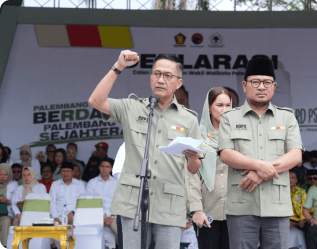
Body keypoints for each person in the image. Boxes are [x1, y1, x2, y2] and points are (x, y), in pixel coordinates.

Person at [88, 51, 202, 249]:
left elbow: (193, 169)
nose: (160, 79)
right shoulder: (132, 107)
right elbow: (96, 101)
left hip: (170, 205)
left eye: (168, 76)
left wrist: (193, 159)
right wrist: (118, 66)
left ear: (178, 83)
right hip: (133, 202)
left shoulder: (189, 119)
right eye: (156, 74)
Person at [218, 55, 303, 249]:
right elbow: (227, 154)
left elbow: (295, 155)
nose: (261, 87)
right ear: (244, 85)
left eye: (267, 82)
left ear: (274, 86)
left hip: (277, 206)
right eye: (255, 82)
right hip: (242, 205)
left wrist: (259, 174)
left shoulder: (287, 117)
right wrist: (259, 167)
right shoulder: (229, 118)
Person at [186, 87, 231, 249]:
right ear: (209, 107)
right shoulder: (197, 136)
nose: (225, 110)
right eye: (220, 105)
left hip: (235, 211)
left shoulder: (238, 135)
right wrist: (196, 209)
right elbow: (191, 176)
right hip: (207, 211)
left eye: (228, 105)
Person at [86, 158, 118, 243]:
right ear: (99, 167)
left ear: (111, 169)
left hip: (114, 215)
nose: (104, 169)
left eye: (107, 167)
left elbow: (119, 202)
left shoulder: (116, 182)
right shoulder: (92, 182)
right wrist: (102, 217)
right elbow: (89, 202)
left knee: (122, 235)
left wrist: (112, 217)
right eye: (102, 166)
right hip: (97, 215)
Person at [0, 163, 18, 246]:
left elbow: (17, 201)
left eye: (5, 174)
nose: (2, 177)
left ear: (9, 175)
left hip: (7, 214)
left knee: (6, 221)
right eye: (0, 174)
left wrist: (8, 201)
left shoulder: (14, 185)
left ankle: (4, 245)